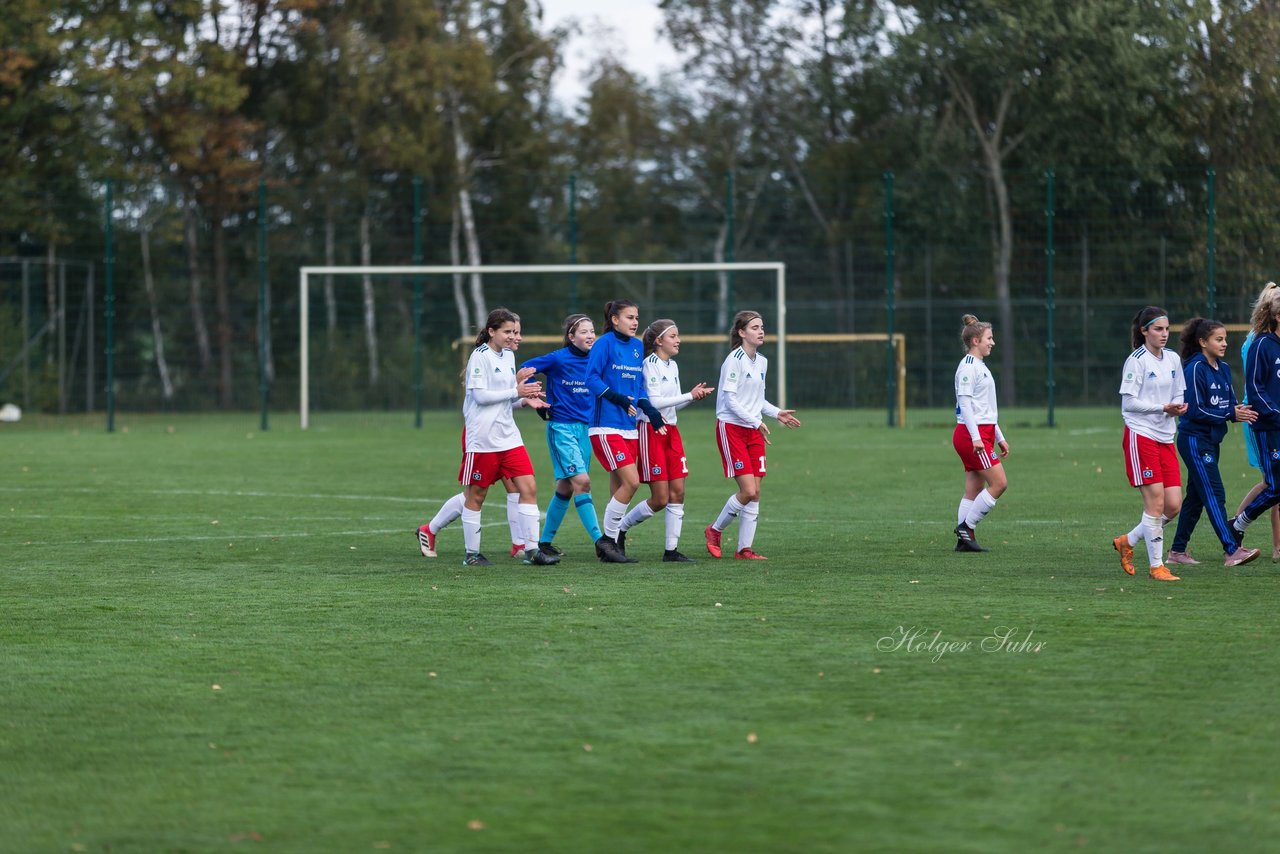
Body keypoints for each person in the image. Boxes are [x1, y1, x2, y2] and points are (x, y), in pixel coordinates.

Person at [416, 308, 559, 567]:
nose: (513, 337)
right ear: (491, 331)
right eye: (507, 331)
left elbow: (502, 400)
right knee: (476, 496)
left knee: (528, 488)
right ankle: (471, 554)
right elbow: (481, 398)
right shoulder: (479, 357)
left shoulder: (508, 357)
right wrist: (516, 391)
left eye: (515, 332)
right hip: (482, 438)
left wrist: (524, 400)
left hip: (509, 437)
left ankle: (531, 550)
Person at [518, 313, 621, 560]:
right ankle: (601, 542)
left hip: (586, 430)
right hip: (562, 429)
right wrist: (535, 396)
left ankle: (544, 542)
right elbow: (524, 369)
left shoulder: (598, 359)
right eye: (583, 332)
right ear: (571, 336)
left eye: (592, 331)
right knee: (583, 482)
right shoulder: (558, 358)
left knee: (566, 487)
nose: (590, 335)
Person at [704, 310, 801, 560]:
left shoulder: (762, 361)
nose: (760, 331)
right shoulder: (734, 360)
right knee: (747, 491)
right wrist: (755, 421)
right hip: (732, 428)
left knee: (755, 492)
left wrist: (777, 413)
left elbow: (756, 400)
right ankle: (714, 531)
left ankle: (744, 549)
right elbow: (730, 400)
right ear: (741, 332)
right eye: (755, 327)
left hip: (753, 428)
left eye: (762, 327)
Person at [616, 319, 714, 562]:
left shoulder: (673, 366)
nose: (678, 340)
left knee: (678, 492)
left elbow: (675, 404)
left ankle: (671, 551)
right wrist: (687, 394)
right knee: (660, 499)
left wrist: (692, 397)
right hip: (651, 431)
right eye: (673, 336)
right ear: (659, 341)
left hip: (671, 431)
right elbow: (653, 403)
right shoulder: (649, 365)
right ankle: (620, 528)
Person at [1165, 317, 1259, 567]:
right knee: (1214, 493)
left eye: (1225, 338)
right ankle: (1231, 550)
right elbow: (1194, 410)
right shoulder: (1194, 368)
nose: (1224, 343)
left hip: (1211, 441)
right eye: (1219, 339)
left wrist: (1242, 411)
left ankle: (1176, 552)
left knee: (1196, 498)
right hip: (1194, 440)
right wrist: (1230, 414)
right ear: (1202, 342)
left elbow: (1229, 405)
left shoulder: (1224, 368)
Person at [585, 299, 669, 563]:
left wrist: (649, 409)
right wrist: (617, 398)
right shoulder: (603, 344)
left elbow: (638, 388)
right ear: (614, 320)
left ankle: (616, 542)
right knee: (632, 482)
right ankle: (606, 541)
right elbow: (591, 379)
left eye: (637, 317)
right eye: (630, 317)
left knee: (619, 485)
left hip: (629, 428)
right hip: (605, 426)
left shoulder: (636, 347)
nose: (635, 322)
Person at [1112, 306, 1186, 582]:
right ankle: (1157, 567)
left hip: (1166, 436)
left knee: (1173, 506)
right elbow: (1128, 402)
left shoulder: (1173, 359)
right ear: (1144, 332)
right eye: (1157, 329)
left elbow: (1178, 392)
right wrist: (1162, 407)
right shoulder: (1137, 360)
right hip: (1140, 435)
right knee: (1155, 504)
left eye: (1167, 329)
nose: (1164, 334)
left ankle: (1127, 541)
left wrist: (1177, 407)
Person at [951, 314, 1009, 552]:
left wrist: (999, 437)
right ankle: (967, 527)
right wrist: (977, 438)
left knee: (973, 490)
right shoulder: (967, 368)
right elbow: (965, 405)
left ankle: (963, 541)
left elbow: (985, 409)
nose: (992, 342)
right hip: (971, 435)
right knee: (999, 483)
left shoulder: (980, 366)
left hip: (981, 433)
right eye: (989, 338)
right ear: (975, 340)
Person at [1231, 282, 1280, 545]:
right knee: (1274, 486)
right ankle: (1238, 525)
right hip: (1268, 426)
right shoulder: (1261, 344)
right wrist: (1275, 414)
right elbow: (1256, 388)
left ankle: (1237, 526)